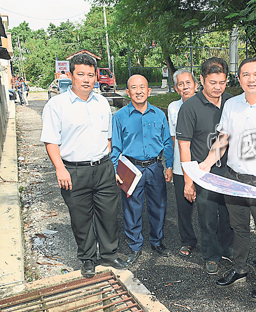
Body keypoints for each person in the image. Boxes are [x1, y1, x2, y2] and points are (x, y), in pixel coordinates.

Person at [200, 57, 256, 301]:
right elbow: (223, 138)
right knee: (238, 228)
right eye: (246, 75)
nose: (251, 79)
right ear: (239, 79)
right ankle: (239, 268)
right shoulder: (231, 105)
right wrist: (207, 163)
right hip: (233, 179)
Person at [40, 53, 128, 278]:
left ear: (96, 76)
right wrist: (60, 168)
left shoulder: (101, 102)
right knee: (81, 218)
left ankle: (109, 253)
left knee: (108, 214)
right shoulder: (57, 105)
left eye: (91, 75)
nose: (86, 79)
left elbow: (108, 137)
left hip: (103, 167)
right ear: (70, 75)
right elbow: (51, 140)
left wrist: (108, 163)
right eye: (81, 74)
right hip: (73, 170)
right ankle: (88, 258)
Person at [176, 57, 234, 274]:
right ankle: (211, 255)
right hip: (204, 172)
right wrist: (189, 181)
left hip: (230, 171)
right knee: (208, 216)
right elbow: (184, 147)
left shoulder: (232, 102)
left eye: (222, 82)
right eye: (212, 83)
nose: (217, 87)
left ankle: (227, 248)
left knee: (229, 214)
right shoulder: (190, 107)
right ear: (202, 80)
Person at [111, 74, 174, 265]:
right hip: (130, 168)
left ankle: (157, 241)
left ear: (149, 90)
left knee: (159, 206)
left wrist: (169, 165)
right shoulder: (119, 117)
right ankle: (135, 246)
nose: (138, 91)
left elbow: (167, 142)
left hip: (155, 167)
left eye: (142, 87)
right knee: (132, 209)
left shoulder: (159, 114)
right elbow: (115, 146)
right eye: (134, 88)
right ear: (127, 91)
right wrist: (116, 169)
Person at [167, 69, 198, 257]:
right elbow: (172, 139)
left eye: (188, 82)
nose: (185, 87)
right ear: (176, 87)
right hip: (180, 166)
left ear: (195, 84)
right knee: (184, 206)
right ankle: (187, 240)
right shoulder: (173, 107)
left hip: (203, 165)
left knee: (207, 208)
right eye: (180, 84)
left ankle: (213, 243)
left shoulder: (207, 104)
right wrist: (170, 165)